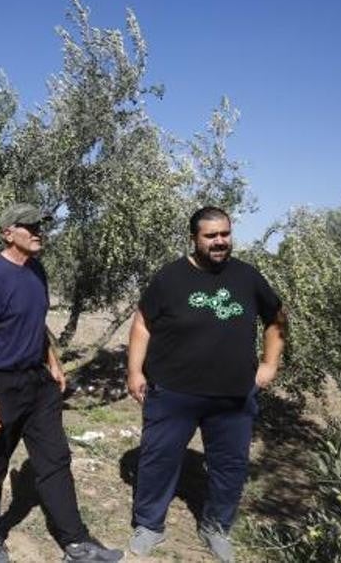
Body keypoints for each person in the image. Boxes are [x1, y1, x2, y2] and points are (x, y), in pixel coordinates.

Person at [126, 206, 286, 562]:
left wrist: (270, 364)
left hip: (232, 394)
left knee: (231, 465)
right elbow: (142, 323)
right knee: (158, 459)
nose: (219, 242)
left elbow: (276, 318)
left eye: (225, 234)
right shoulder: (170, 277)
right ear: (194, 238)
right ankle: (149, 525)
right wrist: (135, 371)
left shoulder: (247, 276)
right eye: (211, 236)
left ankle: (216, 527)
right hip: (172, 391)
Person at [0, 203, 124, 563]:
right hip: (3, 383)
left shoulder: (37, 270)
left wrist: (53, 362)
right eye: (29, 226)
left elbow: (38, 324)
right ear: (8, 233)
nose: (39, 231)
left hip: (39, 383)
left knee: (55, 459)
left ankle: (75, 542)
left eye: (41, 225)